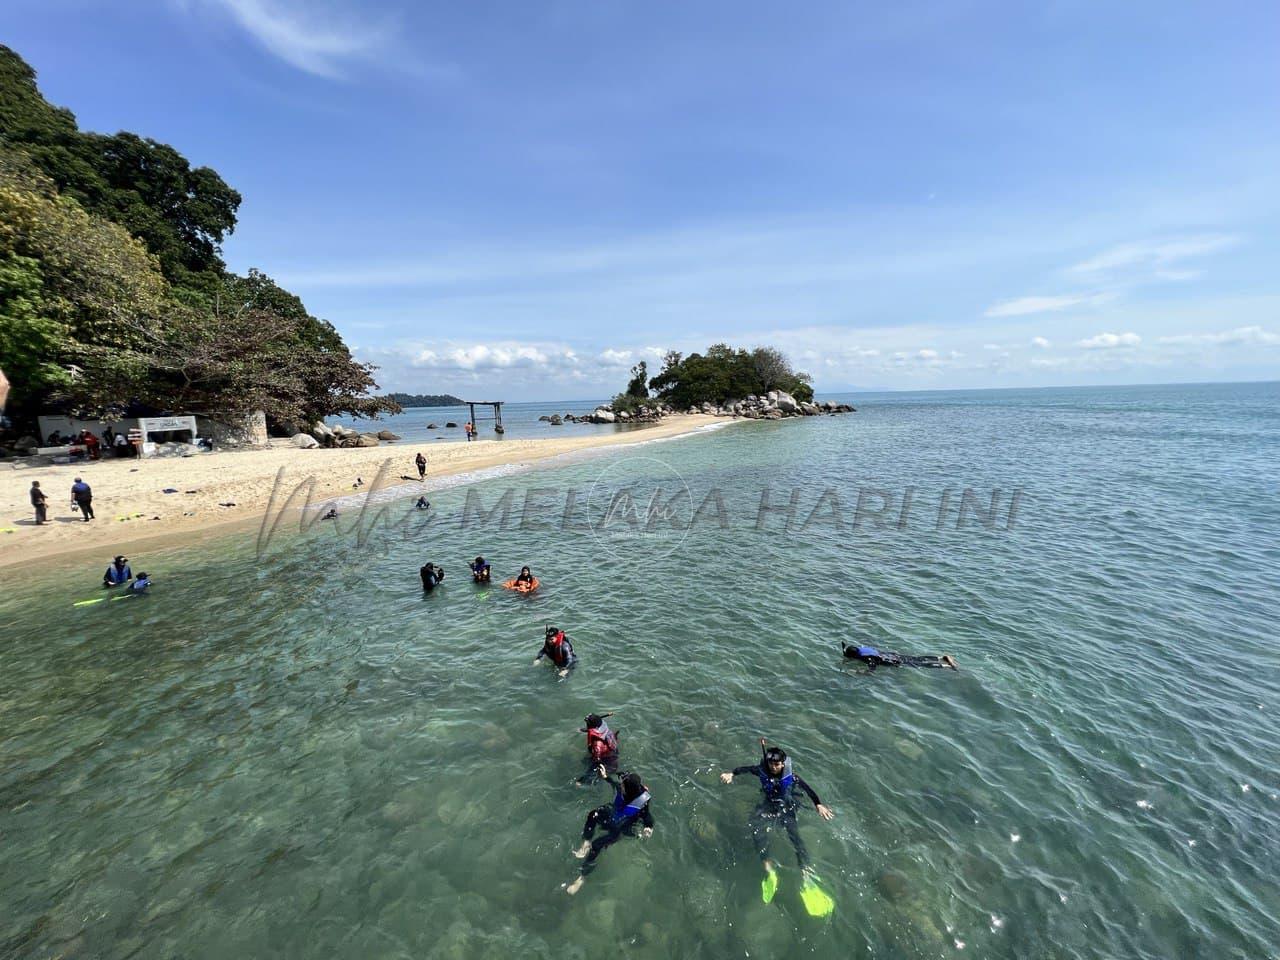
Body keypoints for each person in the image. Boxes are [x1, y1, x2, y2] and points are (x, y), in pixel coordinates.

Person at [720, 741, 834, 903]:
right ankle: (768, 868)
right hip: (769, 804)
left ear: (783, 764)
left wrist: (818, 804)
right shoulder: (762, 771)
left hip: (787, 806)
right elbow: (745, 769)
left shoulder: (791, 777)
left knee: (794, 836)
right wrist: (732, 773)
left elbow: (808, 790)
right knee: (755, 827)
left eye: (777, 764)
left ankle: (806, 874)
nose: (774, 767)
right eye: (771, 764)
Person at [565, 766, 653, 895]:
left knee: (596, 846)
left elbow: (647, 816)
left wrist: (648, 827)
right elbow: (613, 783)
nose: (620, 786)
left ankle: (582, 878)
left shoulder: (642, 802)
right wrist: (605, 776)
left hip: (621, 828)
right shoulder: (622, 789)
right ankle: (586, 842)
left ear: (628, 790)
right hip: (612, 814)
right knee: (593, 814)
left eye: (622, 785)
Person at [842, 643, 957, 671]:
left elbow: (871, 669)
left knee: (920, 665)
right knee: (918, 658)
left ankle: (946, 665)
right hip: (893, 655)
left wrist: (858, 672)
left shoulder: (866, 658)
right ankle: (940, 657)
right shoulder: (862, 649)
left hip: (894, 661)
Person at [577, 713, 619, 782]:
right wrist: (583, 730)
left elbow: (597, 762)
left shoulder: (597, 744)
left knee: (589, 766)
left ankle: (581, 783)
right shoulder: (604, 729)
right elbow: (593, 730)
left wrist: (582, 779)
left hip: (607, 761)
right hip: (613, 752)